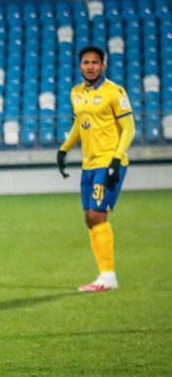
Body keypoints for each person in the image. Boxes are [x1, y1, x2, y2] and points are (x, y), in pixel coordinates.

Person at [56, 45, 136, 292]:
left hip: (109, 162)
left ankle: (108, 276)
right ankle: (103, 276)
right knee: (90, 218)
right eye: (86, 62)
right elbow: (79, 125)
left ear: (103, 65)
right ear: (80, 66)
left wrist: (116, 160)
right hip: (88, 164)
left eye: (94, 62)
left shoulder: (115, 92)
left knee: (98, 215)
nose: (90, 67)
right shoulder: (76, 93)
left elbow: (129, 129)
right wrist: (64, 149)